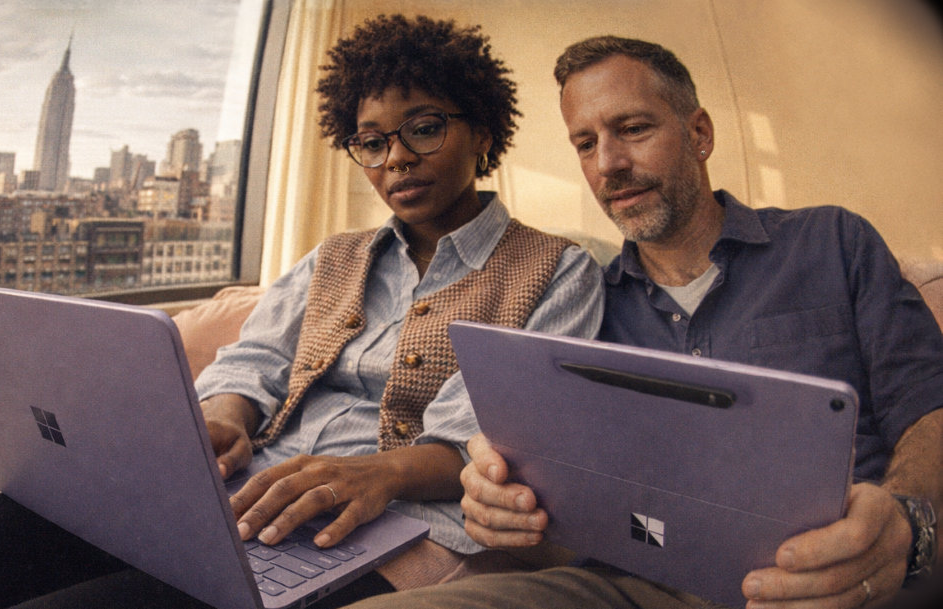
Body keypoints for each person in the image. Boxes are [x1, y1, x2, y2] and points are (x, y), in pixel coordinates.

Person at [0, 15, 603, 609]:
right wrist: (223, 417)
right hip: (231, 492)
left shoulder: (556, 270)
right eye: (371, 143)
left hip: (368, 527)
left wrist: (376, 473)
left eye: (425, 127)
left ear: (482, 131)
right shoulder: (334, 257)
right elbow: (254, 360)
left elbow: (489, 435)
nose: (395, 159)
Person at [343, 35, 943, 609]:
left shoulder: (830, 242)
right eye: (585, 144)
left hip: (820, 580)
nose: (609, 164)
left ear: (699, 133)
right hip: (626, 587)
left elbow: (929, 405)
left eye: (632, 129)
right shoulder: (588, 304)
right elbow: (563, 516)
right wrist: (501, 509)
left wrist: (904, 521)